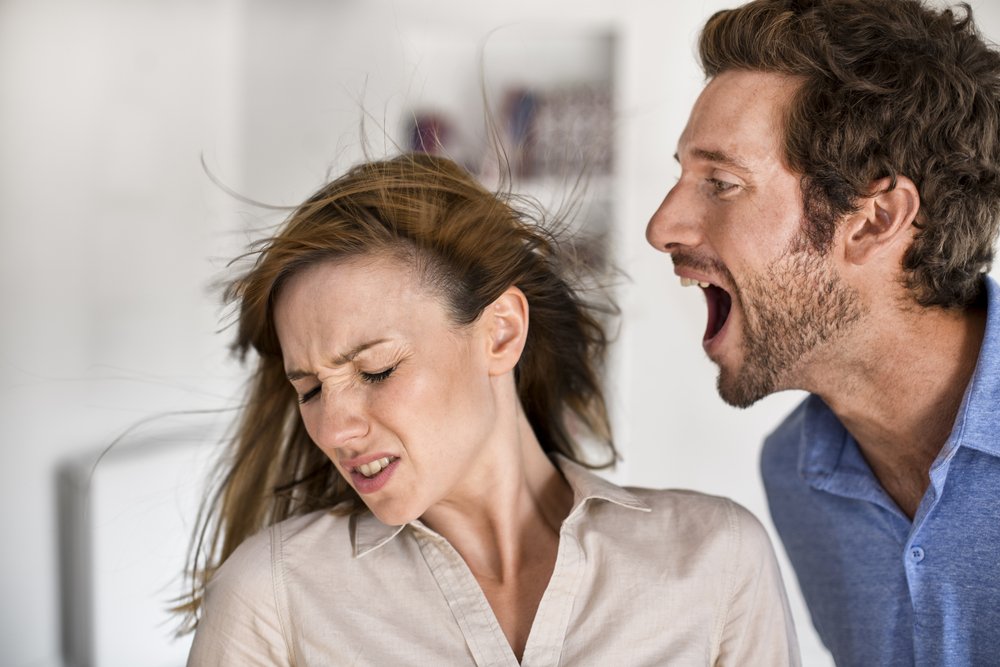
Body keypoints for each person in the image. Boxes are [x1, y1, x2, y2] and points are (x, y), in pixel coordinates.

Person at [180, 152, 798, 665]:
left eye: (376, 370)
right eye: (310, 389)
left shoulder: (716, 559)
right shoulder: (274, 594)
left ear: (500, 333)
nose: (335, 427)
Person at [646, 0, 1000, 664]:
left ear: (872, 220)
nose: (662, 226)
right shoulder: (796, 476)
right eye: (683, 176)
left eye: (721, 183)